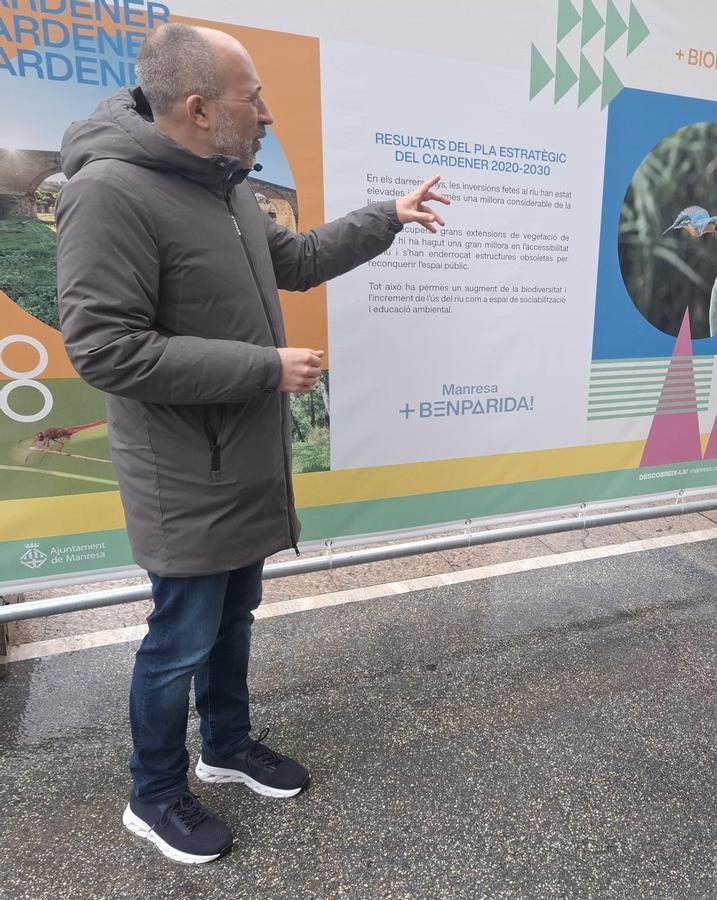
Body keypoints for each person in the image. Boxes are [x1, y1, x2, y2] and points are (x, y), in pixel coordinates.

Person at [55, 24, 449, 864]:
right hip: (183, 473)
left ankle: (224, 746)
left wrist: (388, 218)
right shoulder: (110, 193)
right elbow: (104, 349)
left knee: (234, 618)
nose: (266, 113)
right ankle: (154, 792)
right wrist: (262, 367)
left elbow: (296, 260)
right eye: (253, 98)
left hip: (241, 460)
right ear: (198, 108)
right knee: (179, 640)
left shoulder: (227, 187)